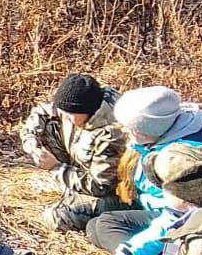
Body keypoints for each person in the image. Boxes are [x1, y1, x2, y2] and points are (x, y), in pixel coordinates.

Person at [88, 86, 202, 255]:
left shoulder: (180, 158)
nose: (127, 133)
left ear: (147, 128)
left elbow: (180, 215)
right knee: (95, 226)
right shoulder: (185, 122)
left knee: (107, 224)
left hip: (197, 225)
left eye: (131, 128)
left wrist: (135, 251)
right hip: (170, 208)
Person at [19, 74, 126, 231]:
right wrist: (30, 138)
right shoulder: (76, 105)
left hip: (114, 193)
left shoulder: (112, 134)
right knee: (49, 124)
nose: (65, 116)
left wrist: (56, 168)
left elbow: (99, 186)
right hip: (85, 171)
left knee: (56, 216)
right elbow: (42, 111)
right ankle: (71, 187)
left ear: (87, 111)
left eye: (69, 114)